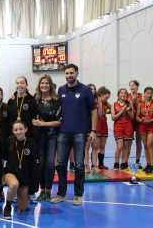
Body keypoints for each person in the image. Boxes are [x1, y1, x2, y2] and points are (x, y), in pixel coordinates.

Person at [51, 64, 97, 205]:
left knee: (79, 165)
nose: (69, 75)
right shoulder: (61, 90)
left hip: (79, 133)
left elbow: (93, 111)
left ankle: (78, 195)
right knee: (60, 165)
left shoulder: (85, 90)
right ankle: (61, 194)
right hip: (63, 132)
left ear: (77, 73)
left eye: (72, 72)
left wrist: (93, 130)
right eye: (67, 73)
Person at [32, 74, 61, 202]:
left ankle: (49, 190)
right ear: (39, 85)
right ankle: (42, 190)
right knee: (40, 164)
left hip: (52, 136)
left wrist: (43, 124)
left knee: (50, 164)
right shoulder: (34, 99)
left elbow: (60, 121)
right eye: (42, 83)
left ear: (50, 85)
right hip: (38, 137)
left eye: (47, 83)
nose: (44, 85)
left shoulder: (56, 100)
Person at [3, 120, 39, 220]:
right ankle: (8, 207)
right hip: (11, 173)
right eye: (16, 130)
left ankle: (19, 195)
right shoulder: (9, 142)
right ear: (13, 131)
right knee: (14, 184)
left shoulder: (31, 144)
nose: (18, 131)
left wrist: (33, 187)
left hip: (24, 177)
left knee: (22, 208)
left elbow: (35, 167)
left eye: (21, 129)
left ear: (26, 129)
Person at [112, 88, 134, 170]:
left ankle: (124, 163)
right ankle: (116, 163)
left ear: (127, 95)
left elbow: (132, 117)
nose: (123, 94)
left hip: (128, 126)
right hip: (118, 126)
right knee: (120, 146)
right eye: (121, 93)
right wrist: (122, 110)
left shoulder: (130, 104)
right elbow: (113, 118)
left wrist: (128, 110)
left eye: (125, 93)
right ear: (118, 95)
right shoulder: (114, 104)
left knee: (126, 146)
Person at [136, 87, 153, 174]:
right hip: (143, 127)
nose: (149, 95)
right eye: (148, 93)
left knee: (149, 144)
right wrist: (141, 120)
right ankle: (148, 164)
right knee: (145, 146)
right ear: (144, 93)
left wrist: (150, 120)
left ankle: (152, 165)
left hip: (151, 127)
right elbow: (137, 116)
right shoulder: (140, 104)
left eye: (151, 93)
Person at [95, 87, 111, 170]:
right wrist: (100, 102)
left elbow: (113, 108)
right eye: (106, 97)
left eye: (108, 98)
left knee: (102, 146)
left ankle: (101, 164)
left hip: (104, 124)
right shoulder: (96, 101)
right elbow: (98, 113)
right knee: (96, 146)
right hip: (97, 124)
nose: (107, 99)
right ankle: (94, 165)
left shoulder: (106, 103)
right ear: (101, 95)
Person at [128, 80, 143, 168]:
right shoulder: (127, 96)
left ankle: (138, 161)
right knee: (128, 143)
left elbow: (143, 106)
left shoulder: (142, 96)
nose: (132, 87)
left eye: (133, 85)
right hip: (129, 121)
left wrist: (136, 102)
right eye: (130, 85)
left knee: (138, 142)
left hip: (138, 121)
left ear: (137, 86)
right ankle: (126, 161)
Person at [84, 84, 97, 173]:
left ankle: (94, 165)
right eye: (90, 89)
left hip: (96, 126)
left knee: (95, 147)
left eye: (94, 89)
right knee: (87, 147)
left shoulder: (97, 100)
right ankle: (86, 165)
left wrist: (98, 105)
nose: (92, 90)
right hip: (87, 126)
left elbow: (99, 114)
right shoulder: (84, 100)